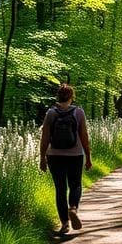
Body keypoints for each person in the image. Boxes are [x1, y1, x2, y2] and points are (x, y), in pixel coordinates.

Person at [39, 83, 91, 235]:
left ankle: (64, 225)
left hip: (54, 155)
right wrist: (88, 157)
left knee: (60, 189)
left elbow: (45, 137)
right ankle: (73, 208)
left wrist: (42, 158)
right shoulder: (78, 112)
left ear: (58, 96)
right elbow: (84, 136)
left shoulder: (51, 113)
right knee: (75, 185)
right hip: (75, 154)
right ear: (71, 96)